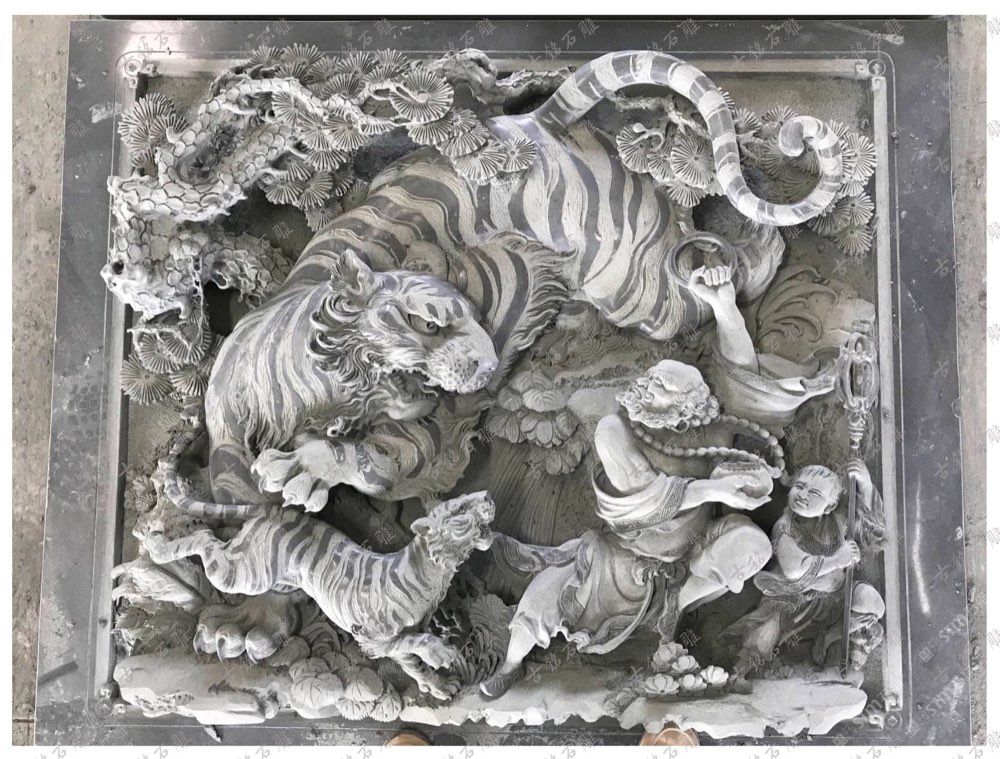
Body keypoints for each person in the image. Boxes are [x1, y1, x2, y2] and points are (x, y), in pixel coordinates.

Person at [480, 360, 774, 698]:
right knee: (541, 599)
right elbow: (647, 496)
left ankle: (677, 609)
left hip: (687, 559)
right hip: (617, 558)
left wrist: (748, 482)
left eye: (661, 386)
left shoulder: (709, 435)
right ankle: (510, 666)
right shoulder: (613, 430)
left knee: (754, 543)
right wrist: (713, 489)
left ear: (688, 403)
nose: (647, 386)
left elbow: (735, 474)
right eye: (650, 378)